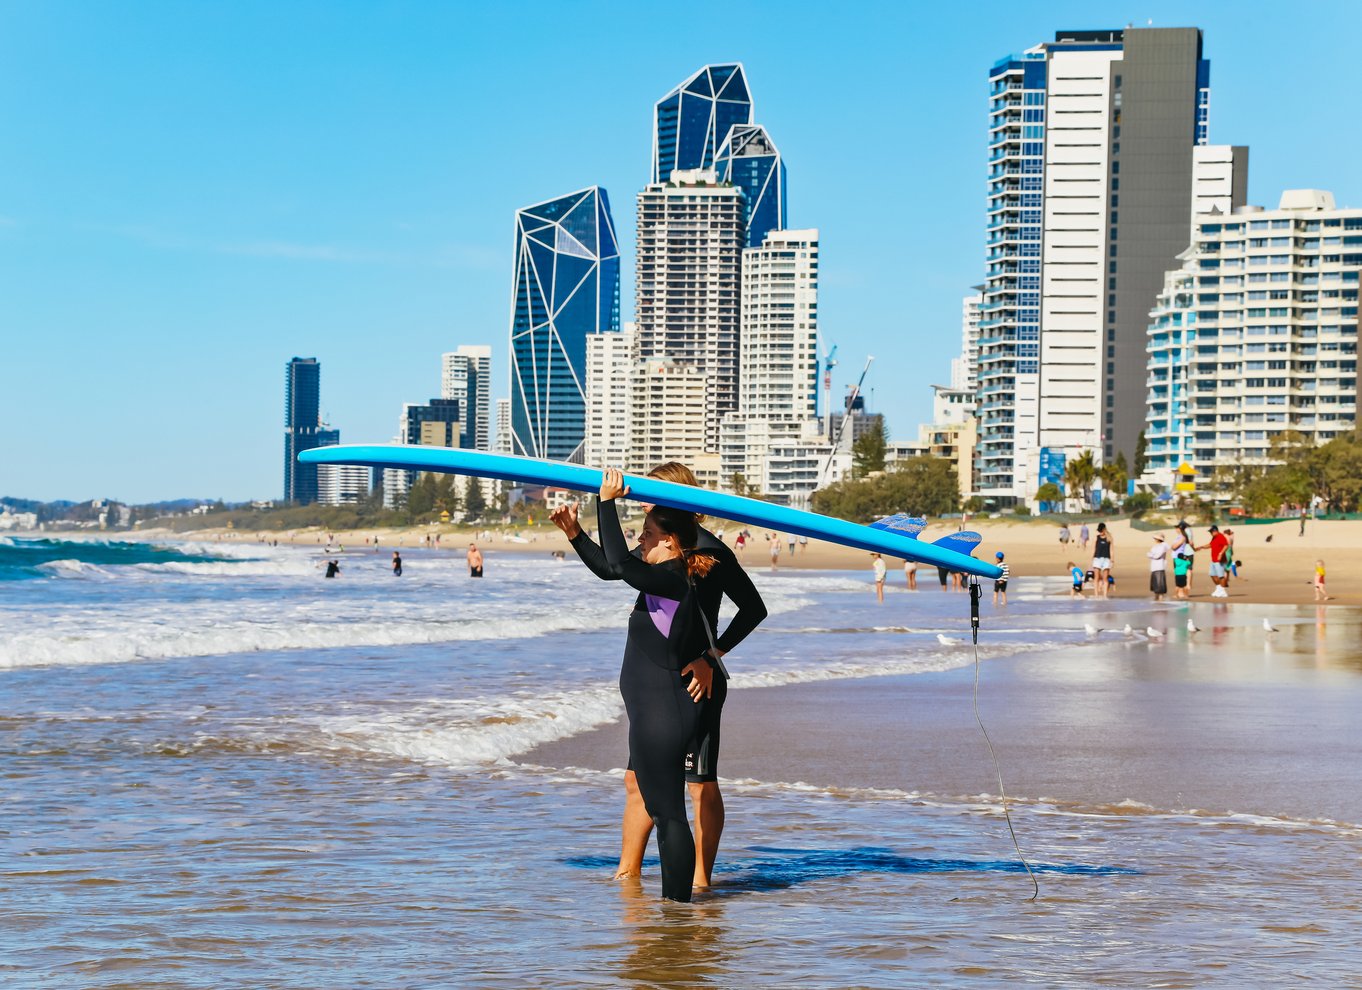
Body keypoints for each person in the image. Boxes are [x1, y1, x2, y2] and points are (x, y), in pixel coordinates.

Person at [551, 462, 766, 892]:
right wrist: (576, 534)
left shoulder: (711, 552)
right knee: (639, 780)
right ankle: (629, 872)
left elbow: (753, 609)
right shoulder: (661, 543)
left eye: (650, 491)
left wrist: (710, 655)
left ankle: (700, 880)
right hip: (659, 685)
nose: (642, 497)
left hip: (692, 683)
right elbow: (615, 568)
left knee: (699, 786)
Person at [1203, 525, 1230, 598]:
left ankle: (1223, 591)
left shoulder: (1221, 536)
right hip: (1214, 560)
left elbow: (1226, 545)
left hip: (1220, 560)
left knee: (1221, 576)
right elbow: (1210, 545)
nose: (1210, 533)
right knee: (1212, 574)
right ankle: (1219, 589)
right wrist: (1201, 547)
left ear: (1215, 531)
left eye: (1211, 532)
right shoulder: (1214, 537)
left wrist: (1221, 553)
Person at [1091, 522, 1113, 599]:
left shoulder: (1109, 538)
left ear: (1104, 530)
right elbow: (1093, 548)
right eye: (1099, 531)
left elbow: (1111, 550)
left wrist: (1112, 560)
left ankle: (1105, 595)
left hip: (1106, 559)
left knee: (1105, 578)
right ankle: (1096, 595)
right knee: (1096, 577)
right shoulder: (1096, 538)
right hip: (1097, 558)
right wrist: (1092, 558)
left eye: (1101, 531)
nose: (1100, 532)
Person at [1147, 534, 1168, 601]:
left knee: (1160, 584)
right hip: (1154, 567)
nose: (1154, 540)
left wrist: (1151, 555)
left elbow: (1156, 556)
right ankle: (1156, 597)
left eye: (1155, 538)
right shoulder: (1155, 546)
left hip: (1159, 567)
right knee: (1155, 583)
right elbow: (1149, 554)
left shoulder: (1163, 546)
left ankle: (1160, 598)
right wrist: (1151, 555)